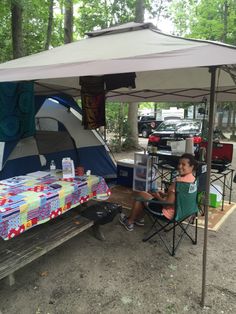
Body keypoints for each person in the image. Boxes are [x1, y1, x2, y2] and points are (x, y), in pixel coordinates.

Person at [119, 153, 197, 231]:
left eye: (184, 164)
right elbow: (180, 196)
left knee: (140, 195)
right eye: (179, 164)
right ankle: (139, 219)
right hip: (184, 213)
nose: (180, 166)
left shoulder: (179, 182)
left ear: (191, 166)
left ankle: (130, 221)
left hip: (168, 214)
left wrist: (157, 196)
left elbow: (167, 205)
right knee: (147, 195)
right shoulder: (193, 180)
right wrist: (165, 194)